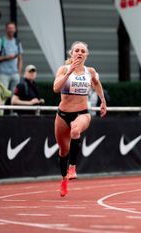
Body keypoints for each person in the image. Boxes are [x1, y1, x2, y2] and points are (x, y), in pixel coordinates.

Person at [53, 41, 107, 197]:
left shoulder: (90, 71)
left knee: (75, 130)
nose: (79, 53)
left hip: (82, 113)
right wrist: (69, 72)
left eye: (83, 51)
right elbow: (56, 88)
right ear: (72, 53)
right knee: (63, 150)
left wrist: (102, 100)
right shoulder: (63, 69)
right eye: (77, 50)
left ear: (86, 55)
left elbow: (97, 84)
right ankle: (64, 179)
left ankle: (73, 167)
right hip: (62, 115)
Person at [0, 21, 23, 94]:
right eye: (9, 28)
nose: (11, 30)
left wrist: (19, 73)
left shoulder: (17, 42)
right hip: (4, 73)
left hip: (15, 74)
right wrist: (7, 57)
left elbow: (20, 59)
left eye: (13, 28)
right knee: (2, 96)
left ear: (15, 29)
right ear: (6, 29)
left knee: (15, 97)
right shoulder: (0, 41)